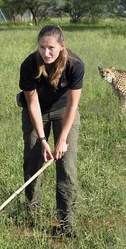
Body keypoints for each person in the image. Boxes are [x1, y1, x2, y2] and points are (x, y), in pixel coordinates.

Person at [18, 25, 84, 238]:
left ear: (62, 46)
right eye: (42, 47)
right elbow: (33, 104)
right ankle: (32, 211)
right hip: (37, 111)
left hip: (64, 110)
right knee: (33, 158)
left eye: (51, 48)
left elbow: (73, 106)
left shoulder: (75, 65)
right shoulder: (29, 65)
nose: (46, 53)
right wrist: (43, 139)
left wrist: (62, 139)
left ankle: (66, 220)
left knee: (66, 164)